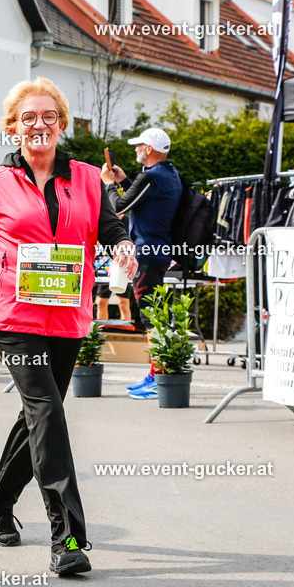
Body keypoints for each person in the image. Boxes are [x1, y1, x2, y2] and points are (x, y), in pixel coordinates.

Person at [0, 78, 136, 576]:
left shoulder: (88, 179)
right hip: (13, 318)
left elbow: (109, 228)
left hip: (66, 316)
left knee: (40, 416)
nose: (38, 124)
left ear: (61, 125)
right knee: (47, 411)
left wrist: (123, 247)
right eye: (28, 117)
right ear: (13, 127)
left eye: (48, 116)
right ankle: (67, 537)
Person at [101, 127, 181, 400]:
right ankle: (157, 374)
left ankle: (159, 378)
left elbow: (119, 207)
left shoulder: (151, 176)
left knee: (151, 318)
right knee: (156, 315)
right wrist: (125, 181)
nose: (135, 149)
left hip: (147, 253)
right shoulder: (168, 173)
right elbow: (144, 202)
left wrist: (109, 184)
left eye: (139, 145)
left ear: (149, 149)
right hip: (158, 252)